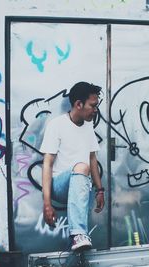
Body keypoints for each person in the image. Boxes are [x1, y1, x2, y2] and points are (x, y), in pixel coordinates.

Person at [40, 81, 105, 251]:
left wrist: (100, 190)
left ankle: (78, 242)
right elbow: (47, 164)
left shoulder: (88, 126)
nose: (95, 109)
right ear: (78, 104)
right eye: (93, 105)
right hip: (59, 186)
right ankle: (77, 234)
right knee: (82, 167)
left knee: (84, 167)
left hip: (81, 184)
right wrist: (47, 203)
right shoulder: (57, 125)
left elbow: (93, 159)